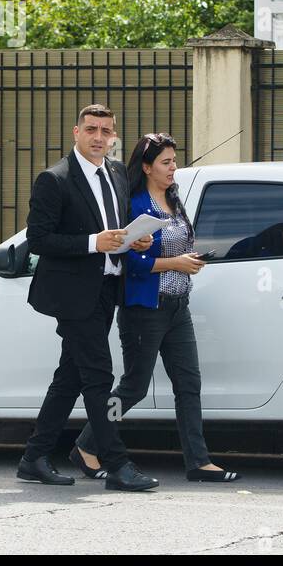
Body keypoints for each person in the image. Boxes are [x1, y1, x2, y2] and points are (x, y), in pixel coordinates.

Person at [67, 132, 241, 483]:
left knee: (188, 384)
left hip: (179, 306)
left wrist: (188, 260)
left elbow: (177, 247)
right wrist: (175, 263)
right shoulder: (133, 205)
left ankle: (199, 461)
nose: (173, 168)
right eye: (166, 162)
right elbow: (129, 262)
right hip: (145, 309)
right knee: (134, 386)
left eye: (174, 161)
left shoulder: (174, 201)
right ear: (146, 167)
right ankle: (87, 443)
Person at [16, 104, 159, 491]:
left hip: (108, 289)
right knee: (99, 375)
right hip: (71, 294)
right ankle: (117, 464)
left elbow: (117, 230)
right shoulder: (54, 179)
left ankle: (33, 457)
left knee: (71, 376)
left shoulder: (115, 173)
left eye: (106, 131)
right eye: (92, 129)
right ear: (76, 132)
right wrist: (94, 242)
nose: (99, 137)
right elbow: (40, 240)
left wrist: (134, 239)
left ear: (114, 137)